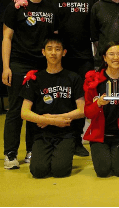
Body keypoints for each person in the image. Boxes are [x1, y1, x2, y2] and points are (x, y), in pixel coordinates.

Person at [1, 0, 54, 169]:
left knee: (37, 110)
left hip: (42, 67)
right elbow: (7, 37)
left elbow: (54, 40)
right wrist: (6, 67)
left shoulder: (49, 8)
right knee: (15, 110)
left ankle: (32, 150)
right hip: (19, 64)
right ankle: (10, 154)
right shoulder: (14, 8)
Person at [43, 0, 95, 157]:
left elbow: (95, 31)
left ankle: (76, 140)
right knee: (62, 99)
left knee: (81, 100)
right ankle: (59, 137)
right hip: (59, 58)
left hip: (83, 58)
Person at [20, 35, 85, 179]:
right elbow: (24, 112)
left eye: (57, 49)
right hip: (42, 133)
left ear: (64, 52)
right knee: (38, 171)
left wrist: (55, 119)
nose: (53, 53)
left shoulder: (74, 78)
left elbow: (82, 110)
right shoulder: (35, 79)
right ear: (43, 52)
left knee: (60, 171)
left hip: (66, 133)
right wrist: (52, 121)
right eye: (49, 49)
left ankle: (66, 151)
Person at [82, 42, 119, 177]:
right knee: (103, 171)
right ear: (104, 58)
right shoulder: (93, 80)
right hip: (99, 135)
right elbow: (87, 113)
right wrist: (98, 104)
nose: (116, 58)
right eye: (111, 54)